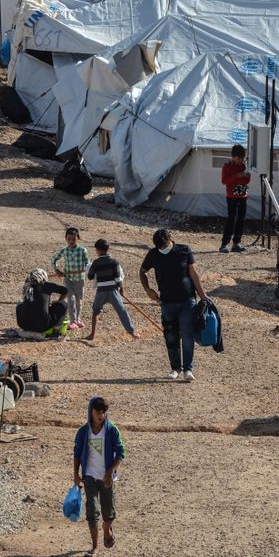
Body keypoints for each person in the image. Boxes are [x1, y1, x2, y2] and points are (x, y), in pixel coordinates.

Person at [140, 228, 208, 382]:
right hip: (166, 302)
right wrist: (147, 289)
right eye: (159, 247)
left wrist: (203, 296)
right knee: (171, 336)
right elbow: (142, 272)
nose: (163, 249)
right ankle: (175, 368)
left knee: (187, 334)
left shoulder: (184, 250)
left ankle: (188, 369)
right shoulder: (153, 254)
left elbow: (193, 274)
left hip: (187, 300)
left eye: (164, 246)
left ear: (171, 239)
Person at [72, 396, 124, 557]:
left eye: (103, 412)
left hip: (107, 479)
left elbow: (121, 453)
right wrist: (76, 474)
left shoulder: (112, 430)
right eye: (97, 412)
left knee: (108, 511)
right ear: (91, 412)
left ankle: (107, 529)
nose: (100, 416)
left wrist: (110, 472)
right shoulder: (83, 432)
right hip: (89, 477)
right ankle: (95, 547)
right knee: (92, 511)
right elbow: (77, 453)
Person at [85, 239, 139, 341]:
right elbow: (118, 278)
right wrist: (121, 289)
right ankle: (132, 333)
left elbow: (90, 277)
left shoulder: (96, 263)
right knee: (122, 311)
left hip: (101, 291)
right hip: (113, 290)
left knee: (95, 312)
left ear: (99, 250)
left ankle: (92, 334)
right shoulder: (114, 262)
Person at [51, 227, 89, 330]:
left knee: (79, 301)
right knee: (71, 300)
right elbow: (54, 259)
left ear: (78, 238)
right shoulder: (64, 250)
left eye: (74, 239)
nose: (71, 241)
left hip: (80, 280)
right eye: (69, 239)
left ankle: (78, 319)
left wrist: (86, 270)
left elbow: (87, 264)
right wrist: (57, 270)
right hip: (68, 280)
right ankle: (73, 322)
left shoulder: (82, 251)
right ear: (66, 239)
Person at [16, 268, 69, 335]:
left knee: (20, 304)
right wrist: (59, 301)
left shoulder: (26, 286)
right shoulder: (46, 285)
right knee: (63, 304)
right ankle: (56, 331)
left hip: (23, 325)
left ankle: (28, 325)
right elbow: (65, 290)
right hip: (42, 326)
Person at [219, 144, 250, 254]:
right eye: (238, 159)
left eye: (242, 159)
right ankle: (224, 244)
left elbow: (247, 179)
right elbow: (224, 181)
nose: (240, 161)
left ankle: (236, 243)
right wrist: (236, 176)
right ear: (233, 157)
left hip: (243, 196)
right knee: (232, 219)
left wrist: (243, 177)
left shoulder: (244, 166)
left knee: (241, 219)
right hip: (232, 197)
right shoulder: (227, 167)